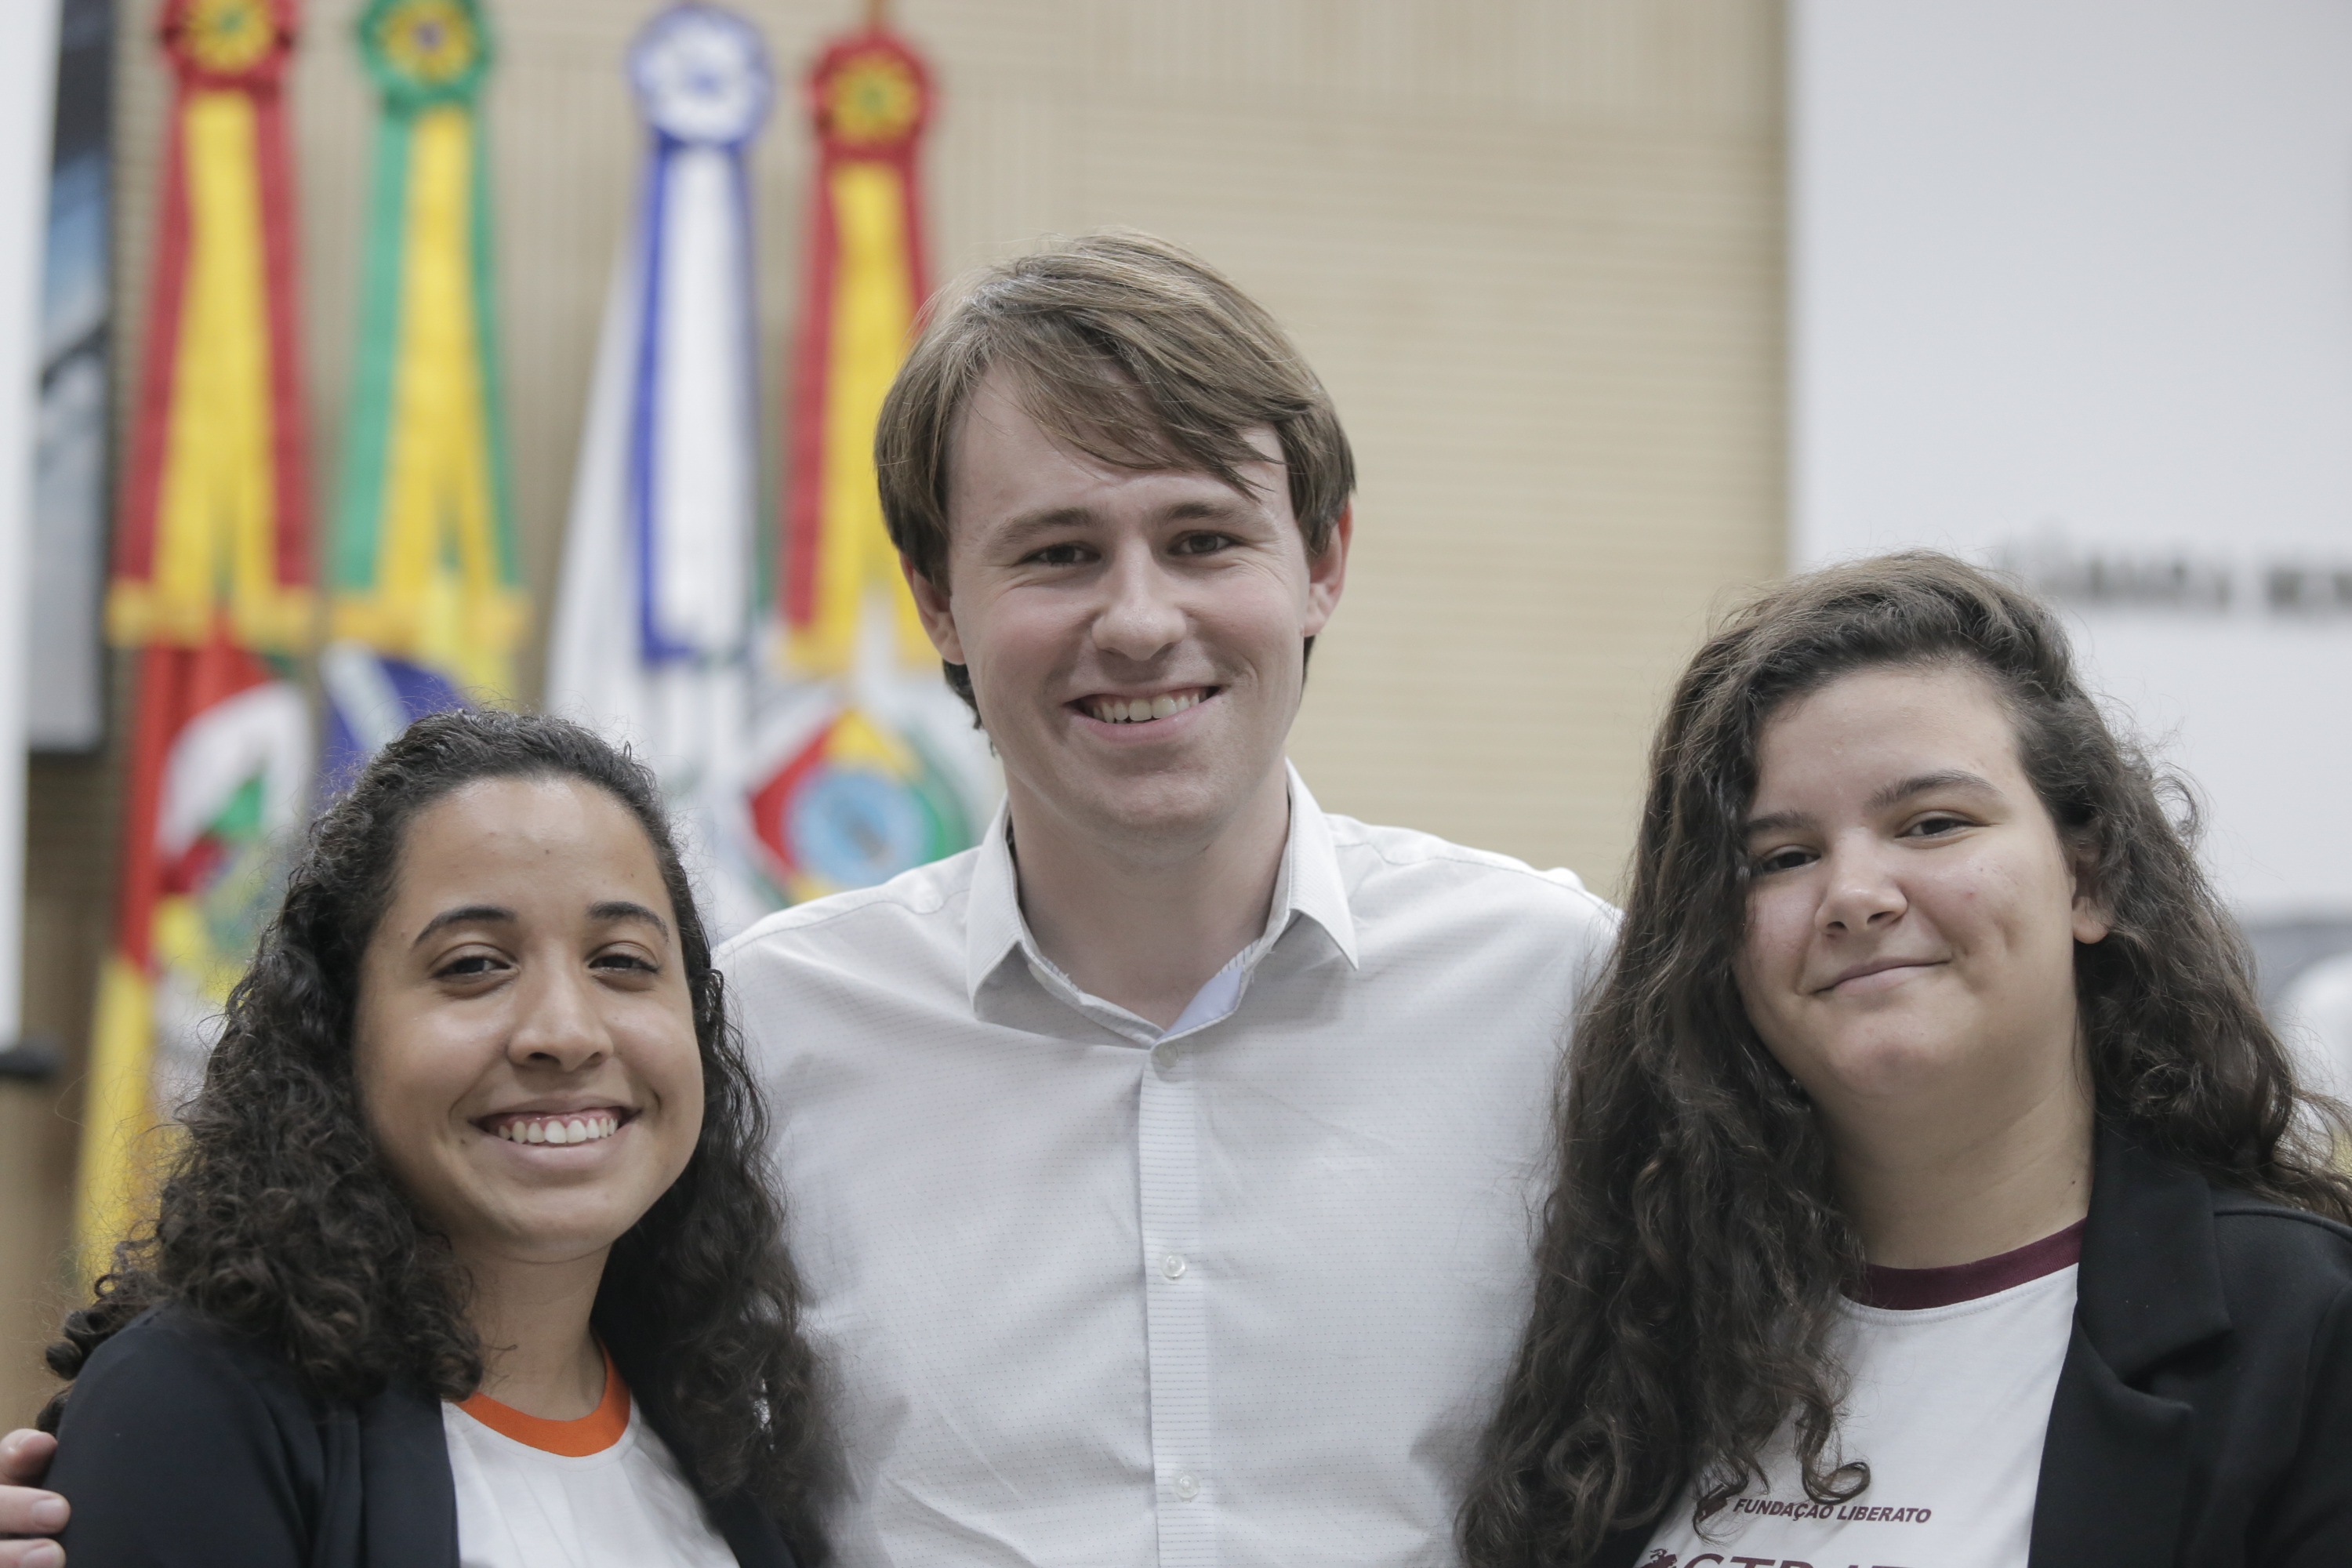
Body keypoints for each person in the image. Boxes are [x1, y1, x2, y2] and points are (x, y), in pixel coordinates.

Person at [1, 230, 1618, 1567]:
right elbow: (460, 1368)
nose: (1138, 620)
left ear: (1323, 558)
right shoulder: (747, 1046)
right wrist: (123, 1487)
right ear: (938, 602)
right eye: (1057, 554)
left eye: (1203, 539)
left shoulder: (1562, 993)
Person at [1459, 553, 2352, 1568]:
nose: (1854, 894)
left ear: (2089, 879)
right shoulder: (1640, 1317)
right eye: (1784, 857)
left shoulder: (2307, 1334)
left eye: (1932, 824)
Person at [25, 710, 822, 1567]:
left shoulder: (724, 1418)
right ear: (338, 1030)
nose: (566, 1030)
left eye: (622, 961)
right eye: (474, 964)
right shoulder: (195, 1404)